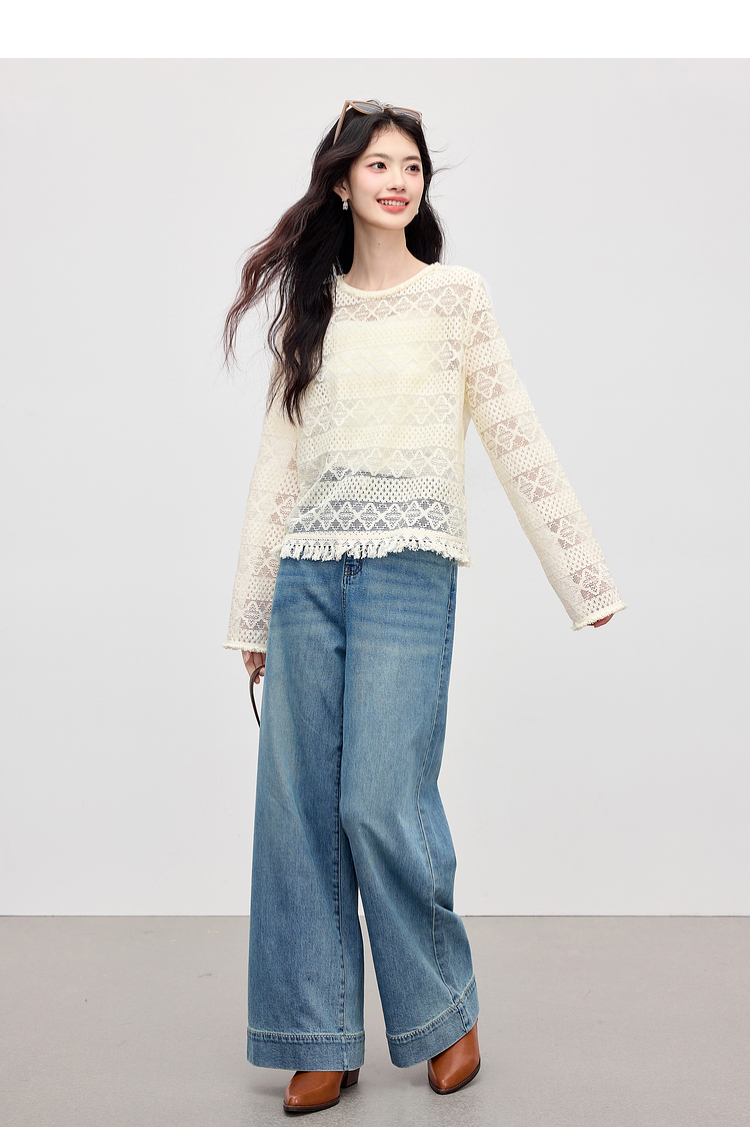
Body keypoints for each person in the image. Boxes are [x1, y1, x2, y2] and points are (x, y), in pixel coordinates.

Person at [223, 99, 626, 1115]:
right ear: (342, 184)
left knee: (379, 799)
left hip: (410, 570)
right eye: (378, 165)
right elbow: (278, 465)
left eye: (411, 166)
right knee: (298, 811)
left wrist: (582, 575)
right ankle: (318, 1036)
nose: (398, 180)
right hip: (308, 576)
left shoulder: (456, 299)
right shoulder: (315, 310)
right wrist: (253, 612)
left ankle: (445, 1012)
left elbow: (514, 431)